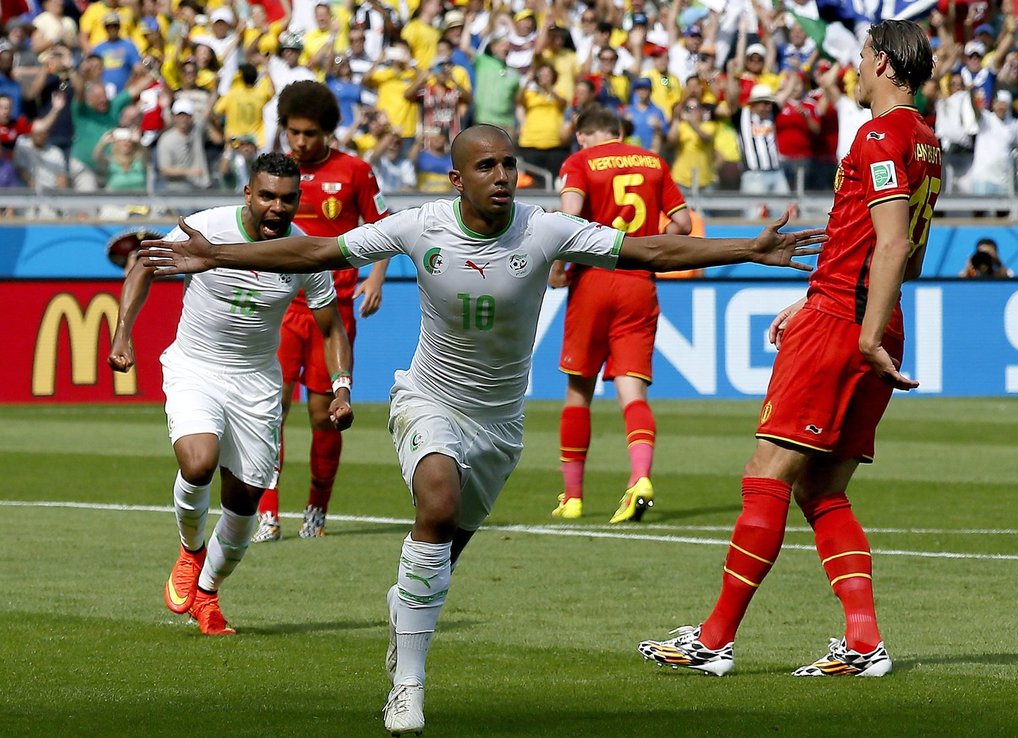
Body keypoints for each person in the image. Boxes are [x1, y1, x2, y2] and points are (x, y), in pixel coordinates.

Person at [140, 123, 824, 735]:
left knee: (442, 553)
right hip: (428, 398)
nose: (504, 176)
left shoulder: (546, 229)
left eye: (511, 164)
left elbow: (646, 250)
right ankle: (407, 687)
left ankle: (406, 616)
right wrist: (222, 257)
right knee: (435, 506)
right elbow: (318, 254)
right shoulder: (420, 226)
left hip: (498, 424)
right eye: (488, 165)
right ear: (457, 178)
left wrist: (747, 246)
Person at [637, 19, 940, 679]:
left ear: (884, 62)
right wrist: (826, 300)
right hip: (868, 315)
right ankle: (863, 642)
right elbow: (903, 258)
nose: (855, 70)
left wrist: (849, 324)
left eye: (861, 57)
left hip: (846, 324)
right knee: (823, 491)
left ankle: (714, 640)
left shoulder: (881, 135)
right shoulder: (927, 143)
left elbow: (890, 245)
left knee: (767, 471)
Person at [108, 153, 353, 636]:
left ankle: (209, 593)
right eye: (266, 196)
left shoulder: (306, 253)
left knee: (245, 503)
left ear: (298, 201)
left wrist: (342, 386)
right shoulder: (207, 228)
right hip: (195, 367)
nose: (276, 207)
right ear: (248, 194)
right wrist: (123, 333)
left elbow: (332, 328)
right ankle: (190, 550)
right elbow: (142, 265)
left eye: (286, 199)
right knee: (198, 462)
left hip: (258, 384)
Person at [251, 80, 389, 543]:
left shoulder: (355, 171)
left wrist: (374, 277)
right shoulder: (276, 176)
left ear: (327, 130)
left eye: (309, 133)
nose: (300, 142)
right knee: (271, 408)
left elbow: (384, 227)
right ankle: (267, 511)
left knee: (322, 413)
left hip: (332, 307)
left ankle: (316, 506)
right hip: (278, 307)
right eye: (292, 132)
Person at [548, 106, 692, 523]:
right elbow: (681, 224)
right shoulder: (653, 161)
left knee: (578, 392)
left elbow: (571, 216)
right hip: (639, 282)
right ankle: (640, 478)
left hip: (594, 278)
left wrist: (557, 266)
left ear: (586, 135)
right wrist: (649, 243)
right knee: (633, 393)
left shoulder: (579, 162)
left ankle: (572, 498)